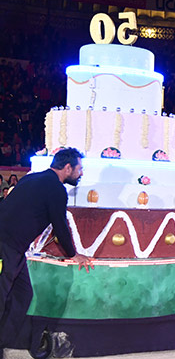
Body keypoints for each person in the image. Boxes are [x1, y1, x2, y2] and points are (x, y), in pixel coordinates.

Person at [0, 148, 93, 351]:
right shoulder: (56, 188)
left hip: (14, 250)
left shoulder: (31, 178)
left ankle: (4, 341)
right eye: (80, 168)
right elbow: (60, 225)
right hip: (6, 247)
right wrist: (73, 254)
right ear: (67, 168)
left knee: (23, 294)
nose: (81, 173)